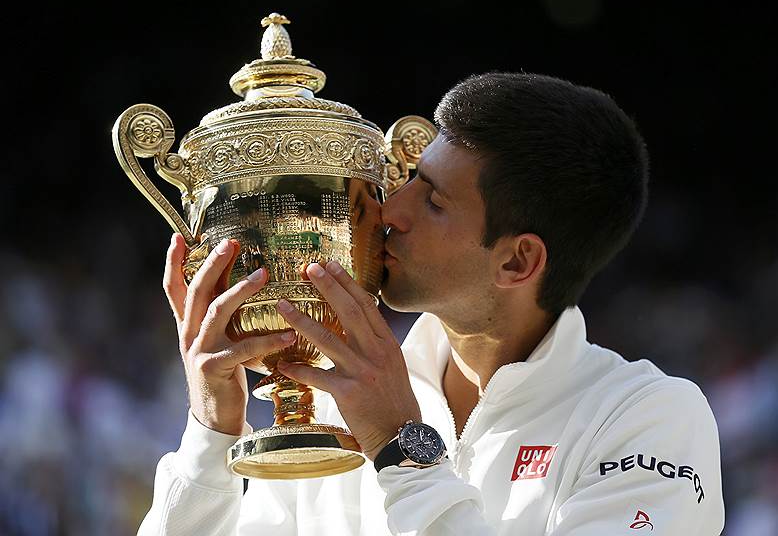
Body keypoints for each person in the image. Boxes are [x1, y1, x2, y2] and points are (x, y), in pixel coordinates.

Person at [138, 72, 724, 535]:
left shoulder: (648, 419)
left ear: (518, 262)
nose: (391, 210)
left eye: (435, 201)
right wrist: (210, 434)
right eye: (412, 177)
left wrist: (402, 449)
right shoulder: (341, 402)